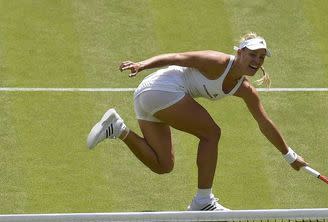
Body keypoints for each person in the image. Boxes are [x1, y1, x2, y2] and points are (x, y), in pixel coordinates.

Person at [87, 32, 307, 211]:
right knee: (211, 133)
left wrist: (289, 156)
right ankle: (203, 201)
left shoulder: (245, 89)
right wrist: (142, 64)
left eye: (261, 57)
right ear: (240, 53)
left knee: (163, 165)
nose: (257, 61)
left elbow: (265, 123)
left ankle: (119, 129)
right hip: (160, 88)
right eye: (253, 55)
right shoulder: (217, 61)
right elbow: (178, 57)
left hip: (149, 97)